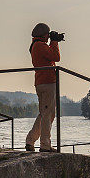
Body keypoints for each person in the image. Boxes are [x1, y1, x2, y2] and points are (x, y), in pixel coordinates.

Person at [25, 23, 61, 152]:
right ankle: (45, 144)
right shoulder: (40, 46)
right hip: (47, 82)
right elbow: (56, 57)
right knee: (48, 115)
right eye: (48, 34)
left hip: (41, 82)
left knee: (45, 114)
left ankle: (30, 140)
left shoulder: (35, 45)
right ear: (44, 34)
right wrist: (55, 42)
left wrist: (53, 42)